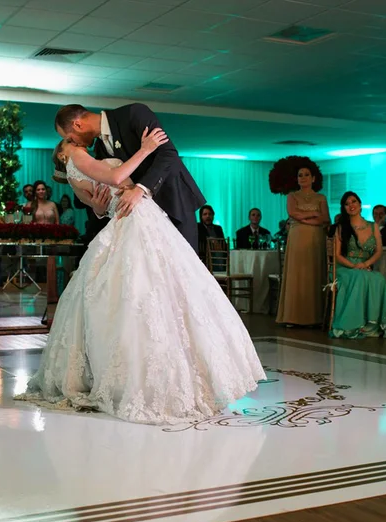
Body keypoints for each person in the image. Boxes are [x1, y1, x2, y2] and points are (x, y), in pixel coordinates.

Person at [23, 129, 266, 425]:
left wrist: (101, 206)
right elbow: (115, 181)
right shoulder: (76, 157)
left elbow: (97, 207)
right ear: (63, 154)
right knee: (152, 288)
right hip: (134, 219)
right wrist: (146, 148)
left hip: (133, 218)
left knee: (147, 288)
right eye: (70, 143)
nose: (77, 145)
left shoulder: (79, 169)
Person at [54, 103, 205, 253]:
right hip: (141, 219)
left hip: (173, 201)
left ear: (78, 125)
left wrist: (141, 189)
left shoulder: (133, 114)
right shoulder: (99, 148)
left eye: (69, 138)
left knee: (183, 267)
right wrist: (99, 209)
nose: (73, 143)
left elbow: (168, 154)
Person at [330, 192, 386, 338]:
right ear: (344, 208)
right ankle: (352, 325)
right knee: (359, 277)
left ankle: (371, 325)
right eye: (347, 204)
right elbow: (338, 255)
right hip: (345, 267)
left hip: (365, 266)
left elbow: (379, 251)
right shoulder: (341, 228)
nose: (351, 205)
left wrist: (366, 263)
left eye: (353, 202)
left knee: (379, 279)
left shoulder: (373, 227)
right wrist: (355, 266)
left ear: (360, 205)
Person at [276, 159, 330, 327]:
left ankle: (315, 317)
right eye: (300, 175)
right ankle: (293, 316)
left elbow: (325, 219)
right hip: (297, 238)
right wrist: (313, 215)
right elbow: (293, 213)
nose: (303, 178)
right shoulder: (292, 196)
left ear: (314, 178)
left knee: (314, 273)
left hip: (315, 238)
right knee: (297, 274)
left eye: (307, 175)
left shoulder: (321, 197)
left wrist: (305, 217)